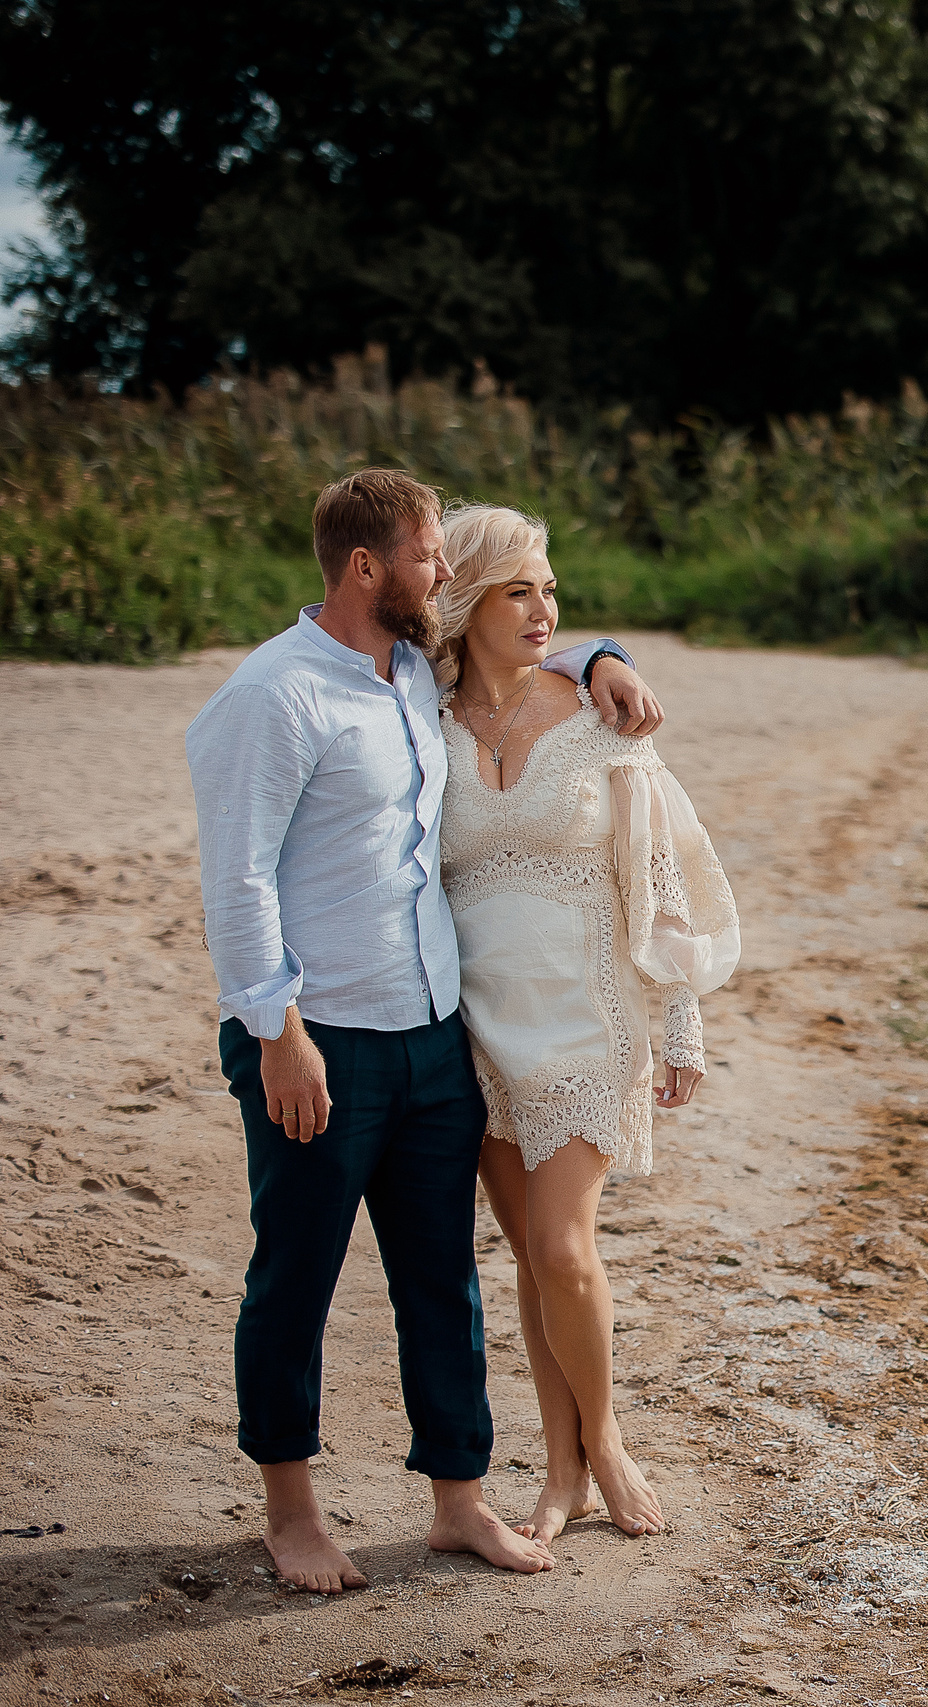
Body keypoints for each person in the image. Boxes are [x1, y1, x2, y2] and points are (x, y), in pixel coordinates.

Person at [186, 467, 667, 1593]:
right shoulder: (273, 695)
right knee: (295, 1277)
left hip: (437, 1038)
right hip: (319, 1038)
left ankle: (458, 1501)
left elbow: (523, 639)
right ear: (368, 567)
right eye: (428, 556)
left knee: (440, 1282)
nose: (444, 574)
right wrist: (277, 1031)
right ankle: (291, 1511)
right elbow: (237, 880)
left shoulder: (411, 670)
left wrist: (598, 654)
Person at [433, 504, 739, 1543]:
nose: (543, 608)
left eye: (549, 589)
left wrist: (681, 1026)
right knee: (528, 1253)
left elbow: (660, 881)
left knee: (563, 1248)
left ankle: (602, 1440)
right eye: (519, 589)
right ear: (468, 600)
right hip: (476, 1026)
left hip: (590, 1015)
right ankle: (557, 1468)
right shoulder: (421, 720)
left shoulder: (598, 711)